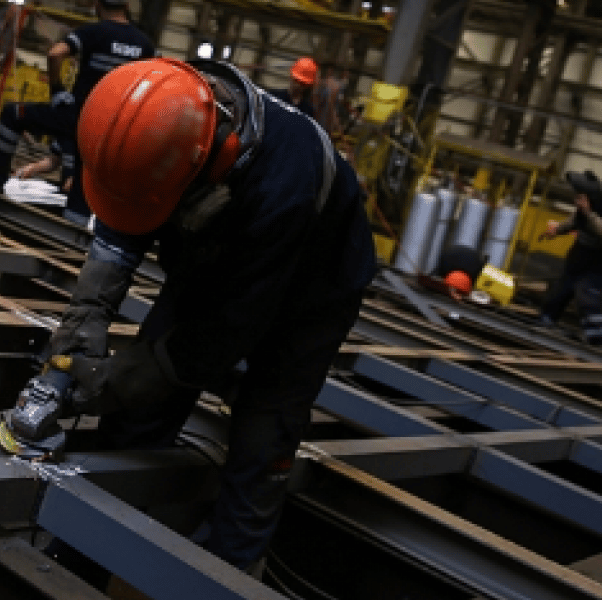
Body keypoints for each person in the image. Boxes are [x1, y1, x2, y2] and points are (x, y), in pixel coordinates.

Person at [29, 58, 376, 578]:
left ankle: (227, 572)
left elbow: (224, 333)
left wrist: (115, 383)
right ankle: (82, 553)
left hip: (314, 288)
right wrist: (83, 325)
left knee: (264, 429)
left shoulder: (287, 185)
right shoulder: (165, 112)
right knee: (137, 418)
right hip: (217, 250)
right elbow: (123, 225)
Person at [0, 0, 155, 224]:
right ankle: (74, 228)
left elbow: (55, 53)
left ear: (97, 1)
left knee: (12, 115)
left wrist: (58, 92)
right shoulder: (144, 44)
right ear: (127, 2)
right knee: (85, 174)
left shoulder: (94, 33)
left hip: (77, 116)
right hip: (110, 129)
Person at [537, 170, 602, 347]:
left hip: (595, 266)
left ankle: (600, 342)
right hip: (577, 260)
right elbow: (572, 222)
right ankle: (546, 322)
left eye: (580, 197)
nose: (577, 201)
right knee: (559, 293)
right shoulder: (581, 211)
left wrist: (589, 214)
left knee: (587, 301)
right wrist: (556, 230)